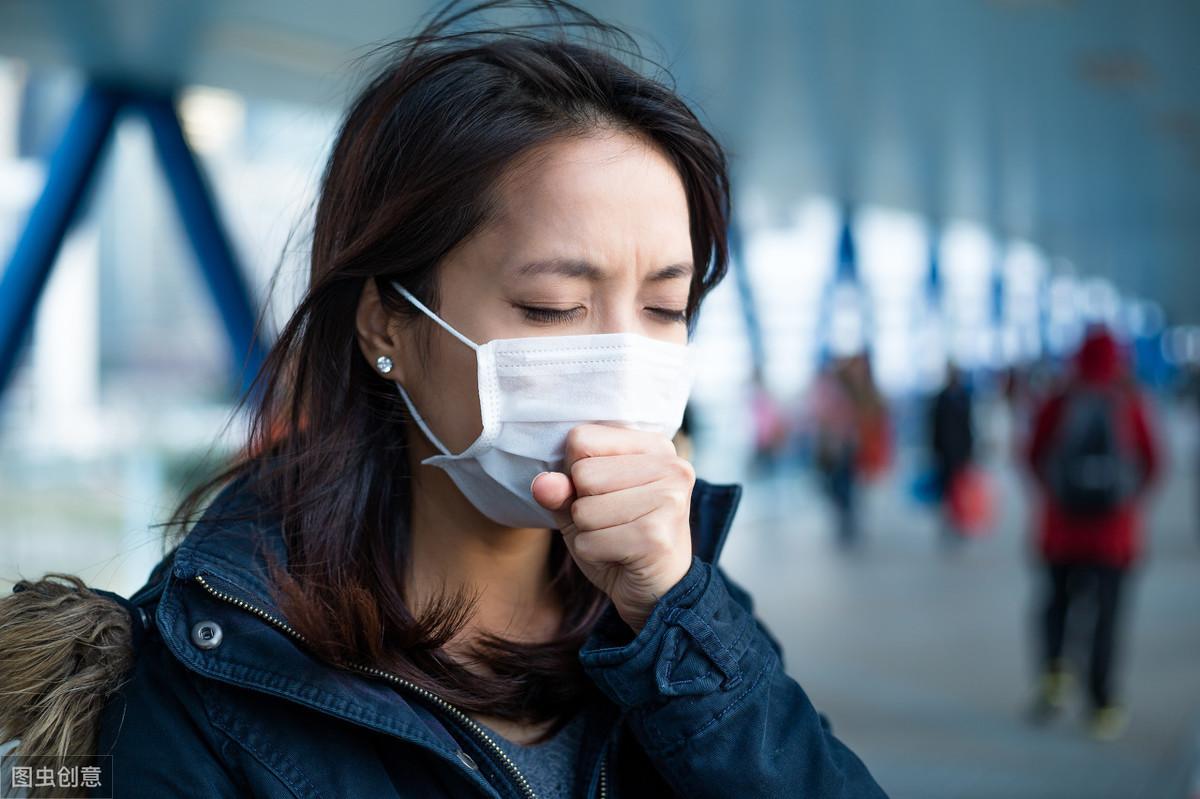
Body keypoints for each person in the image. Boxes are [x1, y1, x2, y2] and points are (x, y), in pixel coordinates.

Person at [0, 2, 888, 797]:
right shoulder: (207, 675)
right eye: (552, 306)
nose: (621, 364)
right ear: (388, 322)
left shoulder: (686, 615)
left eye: (664, 306)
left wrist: (675, 618)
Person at [1025, 326, 1161, 740]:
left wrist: (1056, 496)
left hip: (1061, 534)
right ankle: (1102, 704)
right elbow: (1153, 461)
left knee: (1056, 608)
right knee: (1107, 619)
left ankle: (1053, 683)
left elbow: (1033, 454)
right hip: (1113, 539)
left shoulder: (1059, 399)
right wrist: (1125, 502)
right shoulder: (1129, 401)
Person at [929, 363, 975, 543]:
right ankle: (948, 522)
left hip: (960, 452)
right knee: (946, 491)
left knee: (960, 490)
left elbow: (968, 426)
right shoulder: (941, 398)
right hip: (944, 453)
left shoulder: (964, 397)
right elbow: (934, 427)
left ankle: (959, 522)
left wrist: (970, 450)